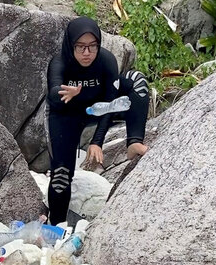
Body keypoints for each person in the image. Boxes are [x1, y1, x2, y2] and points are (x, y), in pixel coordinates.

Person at [45, 16, 150, 225]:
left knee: (136, 81)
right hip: (66, 115)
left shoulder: (106, 60)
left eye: (92, 46)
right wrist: (67, 93)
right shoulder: (60, 62)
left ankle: (134, 142)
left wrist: (97, 142)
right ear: (70, 45)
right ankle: (56, 228)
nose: (87, 53)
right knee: (61, 176)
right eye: (81, 47)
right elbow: (54, 93)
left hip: (99, 109)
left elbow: (111, 102)